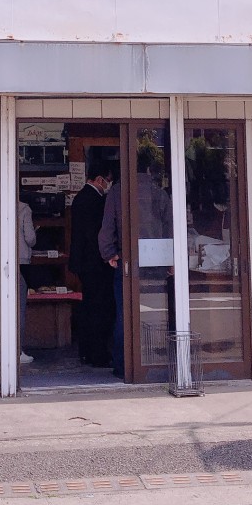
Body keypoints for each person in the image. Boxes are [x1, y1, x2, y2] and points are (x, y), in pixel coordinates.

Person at [99, 149, 172, 379]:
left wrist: (109, 254)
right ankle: (157, 364)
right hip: (157, 262)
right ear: (149, 169)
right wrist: (171, 259)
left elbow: (106, 229)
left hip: (128, 263)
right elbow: (171, 226)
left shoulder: (117, 192)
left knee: (124, 315)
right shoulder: (158, 193)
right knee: (159, 313)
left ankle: (124, 367)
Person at [69, 160, 115, 367]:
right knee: (98, 308)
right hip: (95, 263)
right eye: (108, 181)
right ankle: (97, 354)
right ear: (99, 179)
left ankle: (88, 352)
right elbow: (95, 234)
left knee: (89, 307)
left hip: (85, 263)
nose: (109, 185)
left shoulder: (81, 198)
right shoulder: (94, 200)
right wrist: (108, 255)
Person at [17, 199, 36, 365]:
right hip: (20, 259)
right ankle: (18, 349)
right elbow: (30, 237)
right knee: (19, 308)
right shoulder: (24, 208)